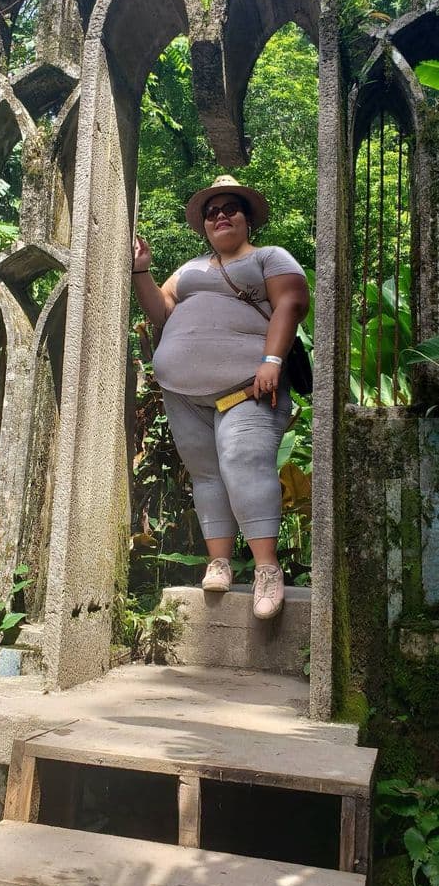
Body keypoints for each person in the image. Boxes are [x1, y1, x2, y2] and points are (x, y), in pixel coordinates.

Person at [132, 175, 309, 619]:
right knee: (206, 474)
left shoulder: (270, 257)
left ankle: (268, 569)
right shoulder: (189, 270)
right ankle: (220, 562)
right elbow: (160, 311)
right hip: (182, 393)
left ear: (247, 219)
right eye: (212, 212)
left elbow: (290, 303)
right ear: (204, 225)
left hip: (249, 387)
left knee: (243, 462)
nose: (220, 216)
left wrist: (272, 359)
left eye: (231, 208)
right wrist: (142, 270)